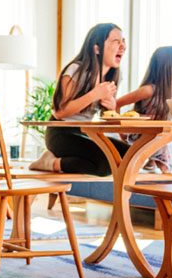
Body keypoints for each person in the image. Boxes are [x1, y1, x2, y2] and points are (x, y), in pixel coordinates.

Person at [30, 23, 127, 175]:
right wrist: (94, 94)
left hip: (85, 132)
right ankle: (50, 162)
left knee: (129, 155)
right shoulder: (76, 70)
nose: (123, 47)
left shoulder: (113, 76)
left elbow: (104, 116)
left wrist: (111, 106)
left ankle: (58, 160)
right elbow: (61, 112)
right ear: (97, 48)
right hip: (60, 132)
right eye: (116, 41)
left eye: (123, 41)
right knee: (105, 164)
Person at [117, 46, 172, 173]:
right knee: (164, 151)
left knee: (166, 138)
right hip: (144, 136)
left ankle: (155, 167)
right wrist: (124, 137)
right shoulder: (149, 90)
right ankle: (162, 178)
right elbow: (117, 104)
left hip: (165, 136)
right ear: (169, 65)